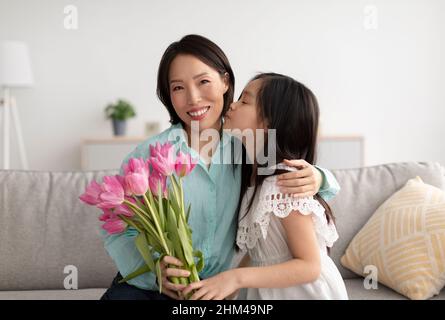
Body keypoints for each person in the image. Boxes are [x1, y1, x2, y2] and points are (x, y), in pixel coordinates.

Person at [100, 35, 340, 300]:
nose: (193, 98)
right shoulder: (149, 154)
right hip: (152, 286)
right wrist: (154, 272)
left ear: (225, 82)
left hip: (214, 288)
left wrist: (319, 177)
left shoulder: (247, 146)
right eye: (178, 87)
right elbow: (119, 228)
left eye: (203, 81)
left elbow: (293, 186)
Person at [181, 73, 348, 300]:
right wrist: (225, 286)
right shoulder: (253, 179)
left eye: (244, 101)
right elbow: (262, 253)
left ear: (269, 121)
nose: (232, 105)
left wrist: (235, 279)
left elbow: (310, 266)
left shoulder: (284, 182)